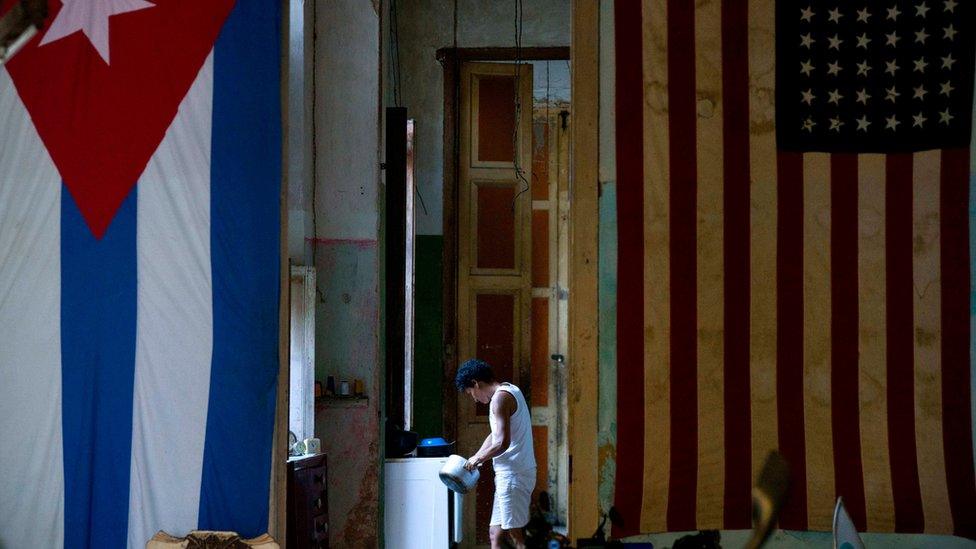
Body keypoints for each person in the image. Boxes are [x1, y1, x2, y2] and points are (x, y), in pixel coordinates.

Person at [455, 358, 536, 549]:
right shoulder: (510, 390)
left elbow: (502, 442)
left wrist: (479, 458)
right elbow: (495, 435)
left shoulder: (500, 399)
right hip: (510, 474)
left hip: (514, 475)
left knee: (516, 536)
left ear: (476, 383)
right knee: (495, 534)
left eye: (470, 393)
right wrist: (476, 456)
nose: (474, 398)